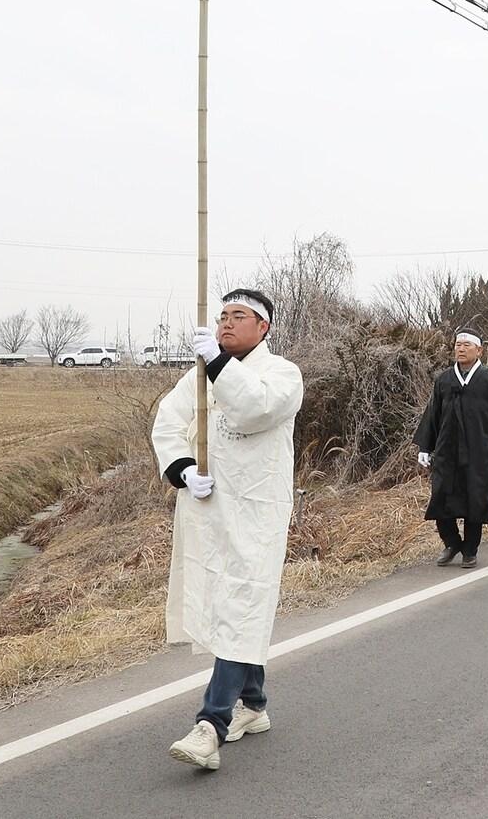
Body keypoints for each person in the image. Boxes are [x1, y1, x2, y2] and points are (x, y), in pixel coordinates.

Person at [153, 288, 304, 771]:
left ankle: (210, 725)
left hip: (256, 516)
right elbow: (167, 425)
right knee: (233, 607)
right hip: (209, 515)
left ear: (263, 327)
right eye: (220, 317)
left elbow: (254, 408)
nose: (225, 324)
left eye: (238, 316)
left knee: (242, 606)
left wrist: (217, 362)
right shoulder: (195, 378)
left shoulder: (282, 374)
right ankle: (253, 706)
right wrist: (181, 469)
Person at [414, 331, 488, 570]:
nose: (461, 349)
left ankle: (470, 550)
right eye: (458, 344)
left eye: (466, 345)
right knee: (441, 499)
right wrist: (425, 447)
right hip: (447, 453)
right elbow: (432, 416)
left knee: (475, 502)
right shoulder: (444, 380)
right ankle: (451, 542)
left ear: (479, 351)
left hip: (478, 453)